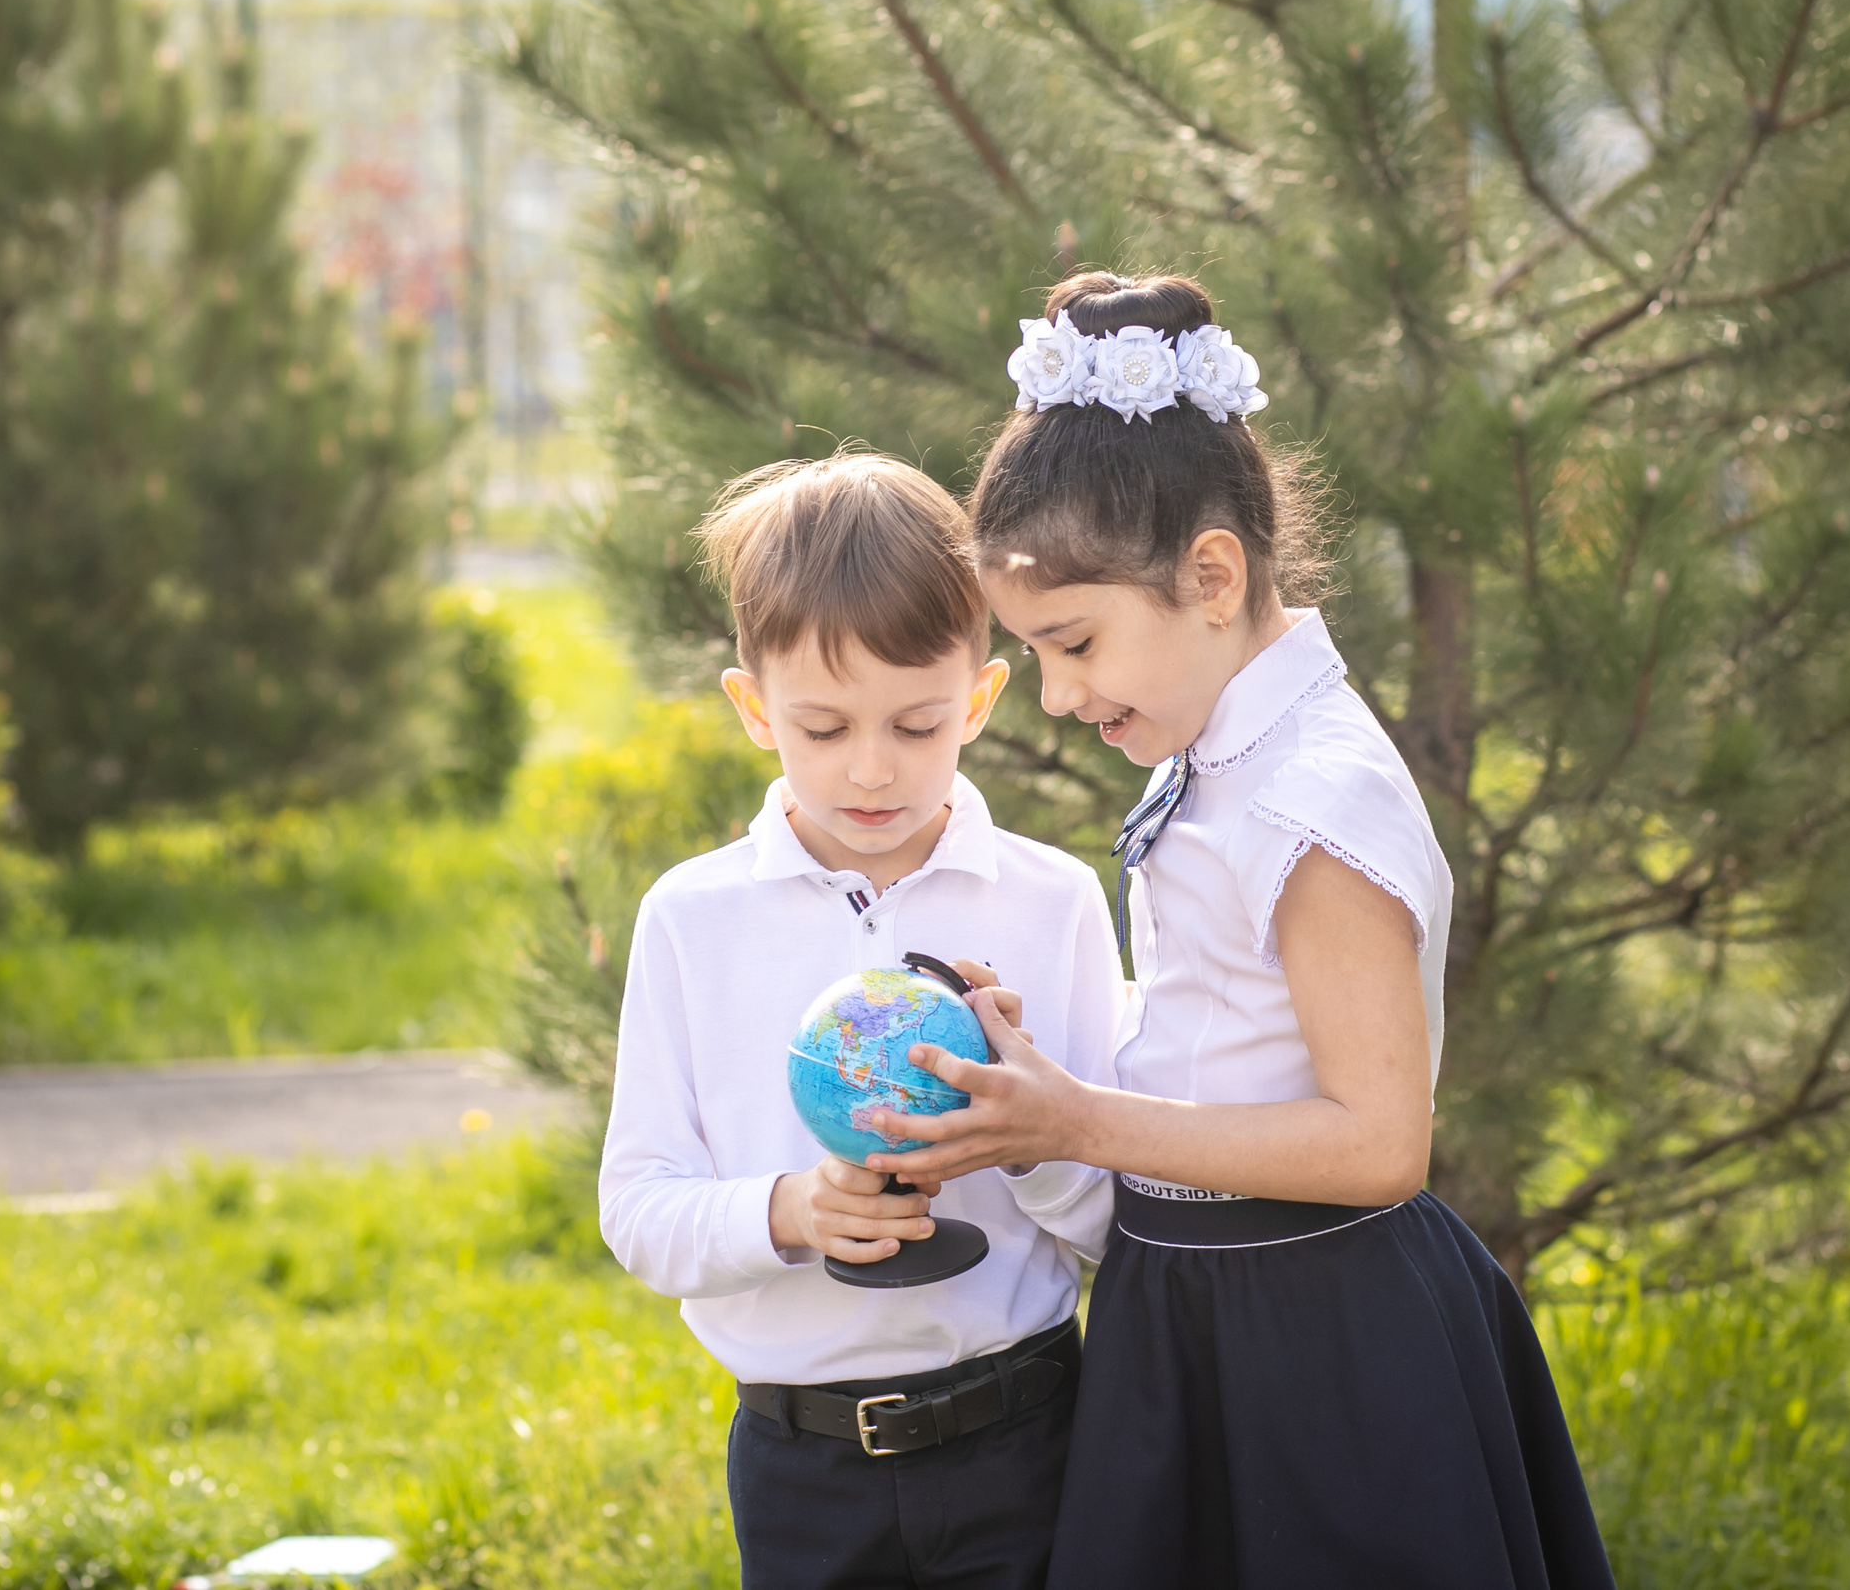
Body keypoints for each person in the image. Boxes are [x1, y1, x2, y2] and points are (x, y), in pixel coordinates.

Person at [867, 274, 1617, 1590]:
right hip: (1197, 1316)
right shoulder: (1226, 751)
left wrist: (1077, 1121)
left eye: (1076, 640)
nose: (1054, 694)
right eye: (1037, 650)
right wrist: (1051, 1086)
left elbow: (1379, 1141)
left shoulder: (1314, 799)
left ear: (1212, 575)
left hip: (1319, 1338)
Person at [597, 452, 1122, 1590]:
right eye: (824, 728)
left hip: (1026, 1439)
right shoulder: (693, 918)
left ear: (979, 699)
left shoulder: (1051, 901)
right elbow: (638, 1209)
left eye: (919, 725)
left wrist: (1038, 1135)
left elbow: (1109, 1226)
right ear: (752, 706)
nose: (872, 770)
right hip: (803, 1467)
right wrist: (790, 1210)